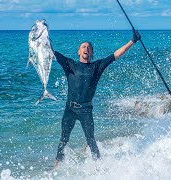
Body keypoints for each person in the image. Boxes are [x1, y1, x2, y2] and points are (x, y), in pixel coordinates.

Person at [51, 30, 141, 166]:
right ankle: (56, 166)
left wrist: (132, 41)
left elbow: (116, 55)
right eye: (83, 47)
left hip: (86, 110)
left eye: (89, 47)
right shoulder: (70, 64)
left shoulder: (96, 66)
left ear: (91, 53)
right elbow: (52, 52)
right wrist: (42, 38)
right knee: (64, 139)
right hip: (70, 108)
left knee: (91, 140)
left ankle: (98, 168)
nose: (86, 48)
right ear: (79, 52)